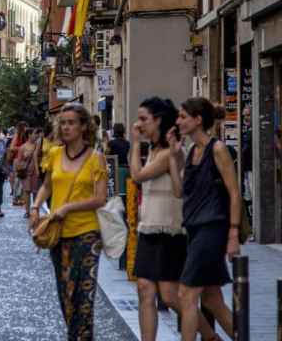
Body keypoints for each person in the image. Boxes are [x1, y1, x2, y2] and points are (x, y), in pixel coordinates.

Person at [128, 98, 214, 341]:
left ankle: (209, 335)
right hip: (148, 228)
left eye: (144, 119)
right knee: (144, 289)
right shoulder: (155, 150)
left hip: (169, 230)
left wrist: (135, 145)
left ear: (158, 121)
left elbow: (137, 175)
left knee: (170, 295)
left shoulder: (170, 153)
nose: (139, 124)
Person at [31, 104, 107, 341]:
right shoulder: (54, 154)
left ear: (83, 126)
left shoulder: (96, 159)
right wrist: (36, 206)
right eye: (62, 122)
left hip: (87, 233)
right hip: (58, 234)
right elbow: (47, 186)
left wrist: (67, 207)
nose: (65, 127)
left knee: (83, 297)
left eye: (71, 122)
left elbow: (100, 198)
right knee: (65, 295)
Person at [175, 98, 242, 341]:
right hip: (194, 229)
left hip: (212, 228)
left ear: (198, 119)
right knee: (212, 300)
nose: (178, 121)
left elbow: (234, 192)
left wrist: (233, 233)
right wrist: (174, 157)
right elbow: (180, 191)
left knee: (186, 294)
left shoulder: (218, 149)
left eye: (183, 116)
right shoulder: (192, 150)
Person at [15, 128, 42, 218]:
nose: (36, 135)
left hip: (35, 171)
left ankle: (35, 210)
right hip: (26, 171)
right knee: (27, 191)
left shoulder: (38, 146)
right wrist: (26, 157)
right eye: (34, 133)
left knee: (35, 192)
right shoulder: (23, 147)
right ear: (29, 135)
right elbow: (19, 161)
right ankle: (27, 211)